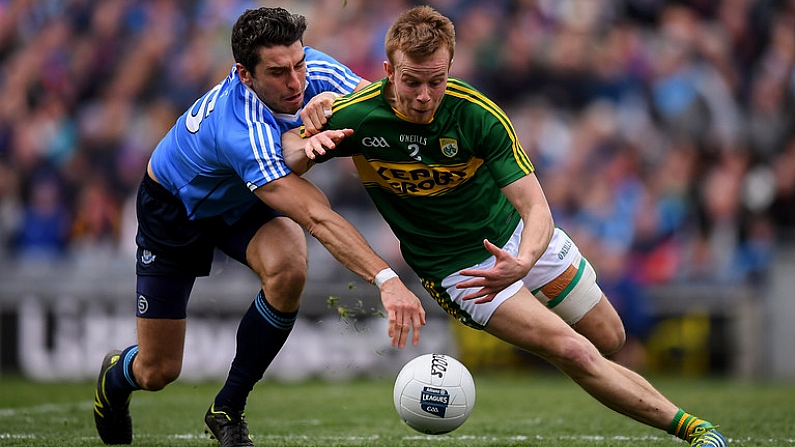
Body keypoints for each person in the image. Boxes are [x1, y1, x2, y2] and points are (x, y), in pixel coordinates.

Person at [285, 6, 727, 447]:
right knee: (571, 349)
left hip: (517, 241)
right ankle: (698, 432)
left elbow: (536, 208)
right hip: (457, 269)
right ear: (388, 71)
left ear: (451, 70)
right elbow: (284, 152)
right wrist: (306, 141)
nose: (423, 95)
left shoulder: (478, 114)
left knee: (610, 337)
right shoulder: (354, 117)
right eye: (411, 81)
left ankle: (560, 330)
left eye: (435, 81)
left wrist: (523, 262)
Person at [92, 7, 426, 447]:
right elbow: (316, 216)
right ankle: (113, 381)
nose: (296, 82)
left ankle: (227, 408)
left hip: (240, 199)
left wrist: (354, 112)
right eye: (278, 73)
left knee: (289, 265)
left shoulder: (316, 70)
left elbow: (382, 109)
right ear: (244, 74)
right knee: (158, 371)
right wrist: (386, 279)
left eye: (298, 64)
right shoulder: (238, 127)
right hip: (175, 209)